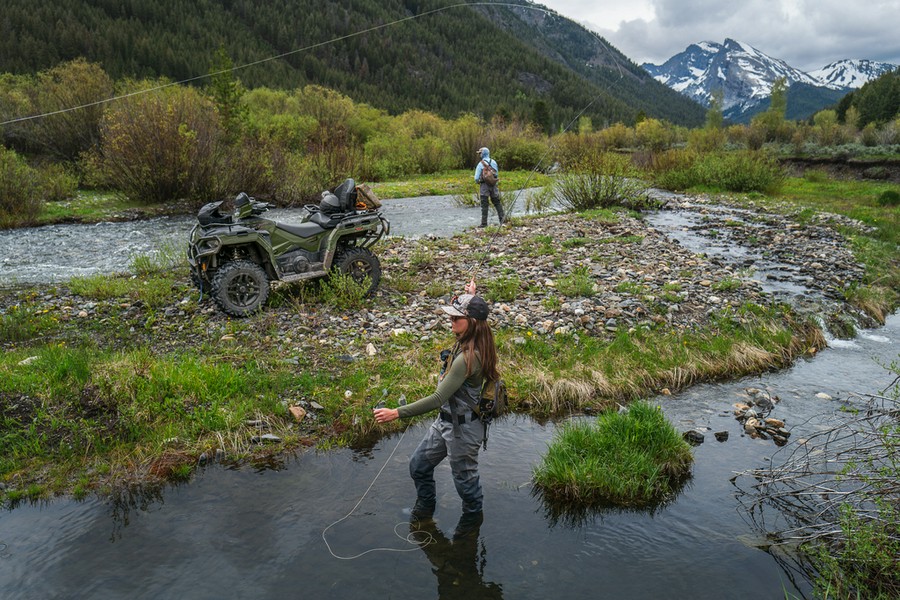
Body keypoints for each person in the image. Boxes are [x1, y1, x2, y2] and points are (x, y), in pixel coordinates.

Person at [373, 281, 499, 521]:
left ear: (471, 322)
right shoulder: (477, 333)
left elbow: (438, 397)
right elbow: (478, 314)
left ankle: (470, 530)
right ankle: (425, 511)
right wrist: (470, 297)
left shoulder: (468, 359)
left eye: (455, 319)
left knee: (466, 486)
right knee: (418, 466)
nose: (450, 323)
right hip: (445, 424)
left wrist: (395, 413)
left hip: (463, 431)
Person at [474, 147, 505, 227]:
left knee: (484, 204)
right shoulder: (493, 162)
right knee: (497, 203)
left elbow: (476, 178)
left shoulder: (481, 164)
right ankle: (502, 220)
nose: (479, 155)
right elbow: (496, 174)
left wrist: (479, 182)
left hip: (484, 186)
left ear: (482, 154)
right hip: (494, 185)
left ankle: (484, 223)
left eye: (480, 153)